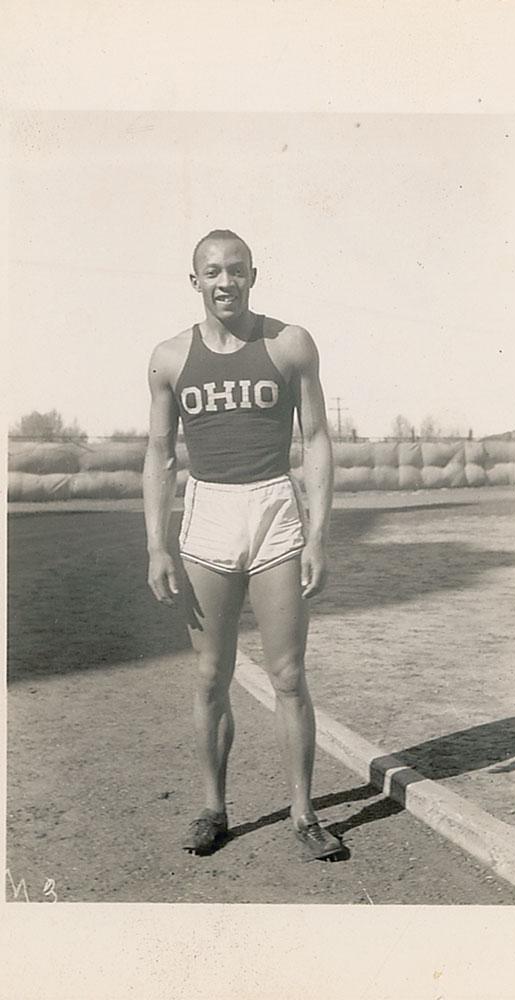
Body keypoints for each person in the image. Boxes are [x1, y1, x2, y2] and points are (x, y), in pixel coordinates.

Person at [143, 229, 342, 861]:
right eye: (212, 271)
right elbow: (157, 455)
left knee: (288, 674)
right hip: (207, 514)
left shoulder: (289, 345)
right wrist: (156, 543)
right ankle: (212, 807)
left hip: (273, 509)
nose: (225, 282)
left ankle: (304, 811)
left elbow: (315, 439)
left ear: (254, 275)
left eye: (236, 270)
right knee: (210, 675)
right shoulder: (170, 358)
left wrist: (317, 533)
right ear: (194, 279)